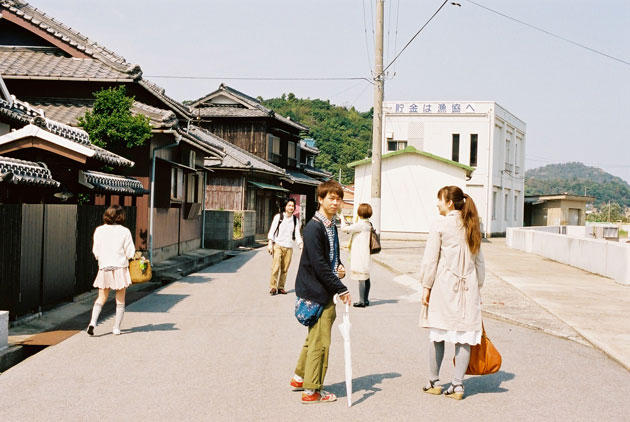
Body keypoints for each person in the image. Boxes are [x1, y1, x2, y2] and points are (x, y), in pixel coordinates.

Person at [419, 186, 485, 400]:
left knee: (438, 333)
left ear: (449, 203)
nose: (437, 203)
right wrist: (477, 287)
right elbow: (480, 263)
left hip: (445, 286)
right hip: (469, 286)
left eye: (439, 199)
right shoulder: (472, 224)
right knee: (464, 336)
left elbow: (431, 260)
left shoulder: (440, 224)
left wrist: (426, 286)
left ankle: (434, 381)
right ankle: (457, 385)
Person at [290, 180, 351, 404]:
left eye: (338, 199)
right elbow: (318, 264)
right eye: (331, 198)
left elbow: (330, 258)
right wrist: (341, 288)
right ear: (321, 199)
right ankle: (312, 390)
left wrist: (340, 266)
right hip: (317, 291)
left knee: (312, 338)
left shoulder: (330, 225)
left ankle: (299, 377)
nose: (336, 203)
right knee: (320, 342)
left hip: (320, 288)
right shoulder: (315, 227)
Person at [87, 204, 136, 336]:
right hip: (120, 267)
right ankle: (116, 328)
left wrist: (100, 259)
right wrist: (132, 257)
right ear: (121, 216)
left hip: (104, 267)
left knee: (101, 297)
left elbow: (95, 250)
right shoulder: (124, 231)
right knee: (120, 300)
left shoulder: (99, 230)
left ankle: (92, 322)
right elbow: (130, 251)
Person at [267, 198, 303, 295]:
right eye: (289, 205)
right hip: (278, 245)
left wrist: (301, 245)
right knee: (275, 267)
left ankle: (281, 287)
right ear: (285, 206)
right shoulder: (278, 217)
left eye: (292, 206)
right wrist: (270, 244)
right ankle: (273, 287)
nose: (291, 207)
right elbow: (272, 231)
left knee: (284, 269)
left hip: (289, 247)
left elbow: (297, 234)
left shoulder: (295, 220)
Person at [340, 203, 373, 307]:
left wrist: (341, 218)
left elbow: (345, 229)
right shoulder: (368, 224)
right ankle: (366, 299)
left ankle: (362, 301)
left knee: (361, 277)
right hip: (365, 253)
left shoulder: (361, 225)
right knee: (366, 277)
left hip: (360, 254)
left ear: (360, 213)